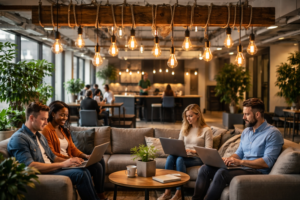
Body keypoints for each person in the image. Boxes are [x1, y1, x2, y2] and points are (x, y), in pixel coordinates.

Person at [7, 102, 104, 200]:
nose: (46, 122)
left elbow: (53, 157)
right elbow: (30, 166)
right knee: (81, 174)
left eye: (46, 119)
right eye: (43, 119)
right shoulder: (19, 138)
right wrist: (63, 164)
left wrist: (71, 161)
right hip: (43, 174)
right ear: (32, 118)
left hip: (52, 168)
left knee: (85, 170)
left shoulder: (39, 136)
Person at [192, 98, 284, 200]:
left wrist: (240, 162)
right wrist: (228, 159)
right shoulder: (246, 132)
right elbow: (239, 152)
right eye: (243, 114)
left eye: (247, 114)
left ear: (257, 114)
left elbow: (267, 162)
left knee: (222, 173)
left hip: (257, 172)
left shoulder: (273, 133)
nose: (243, 117)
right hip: (242, 168)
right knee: (205, 169)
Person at [42, 101, 108, 200]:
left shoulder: (63, 129)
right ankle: (100, 197)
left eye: (66, 115)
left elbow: (72, 148)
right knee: (95, 167)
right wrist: (71, 159)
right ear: (53, 114)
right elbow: (52, 154)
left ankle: (101, 195)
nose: (65, 118)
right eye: (62, 115)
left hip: (70, 160)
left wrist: (86, 156)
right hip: (63, 163)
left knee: (100, 161)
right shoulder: (46, 130)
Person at [158, 104, 213, 200]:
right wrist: (175, 149)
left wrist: (192, 151)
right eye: (187, 116)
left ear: (198, 115)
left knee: (180, 160)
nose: (188, 118)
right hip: (184, 155)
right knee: (170, 157)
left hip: (198, 157)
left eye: (191, 116)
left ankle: (179, 193)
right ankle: (167, 191)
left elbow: (208, 150)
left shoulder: (206, 130)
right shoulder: (185, 128)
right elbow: (179, 144)